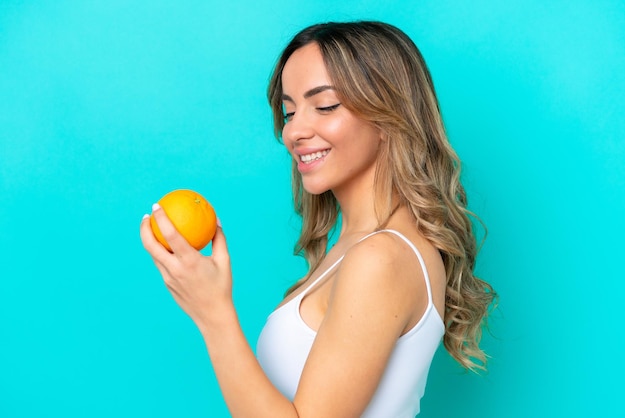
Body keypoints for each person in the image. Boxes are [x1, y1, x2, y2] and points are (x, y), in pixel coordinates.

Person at [140, 20, 496, 418]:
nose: (294, 131)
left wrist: (213, 312)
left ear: (388, 115)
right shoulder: (360, 247)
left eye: (325, 106)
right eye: (289, 112)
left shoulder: (382, 257)